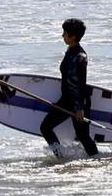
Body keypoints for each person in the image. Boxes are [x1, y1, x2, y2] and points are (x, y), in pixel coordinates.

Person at [40, 18, 99, 157]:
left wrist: (79, 108)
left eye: (65, 33)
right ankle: (60, 156)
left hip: (75, 102)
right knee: (48, 128)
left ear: (73, 36)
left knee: (82, 136)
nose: (62, 35)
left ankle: (96, 160)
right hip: (68, 100)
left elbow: (75, 84)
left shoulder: (78, 56)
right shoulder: (71, 51)